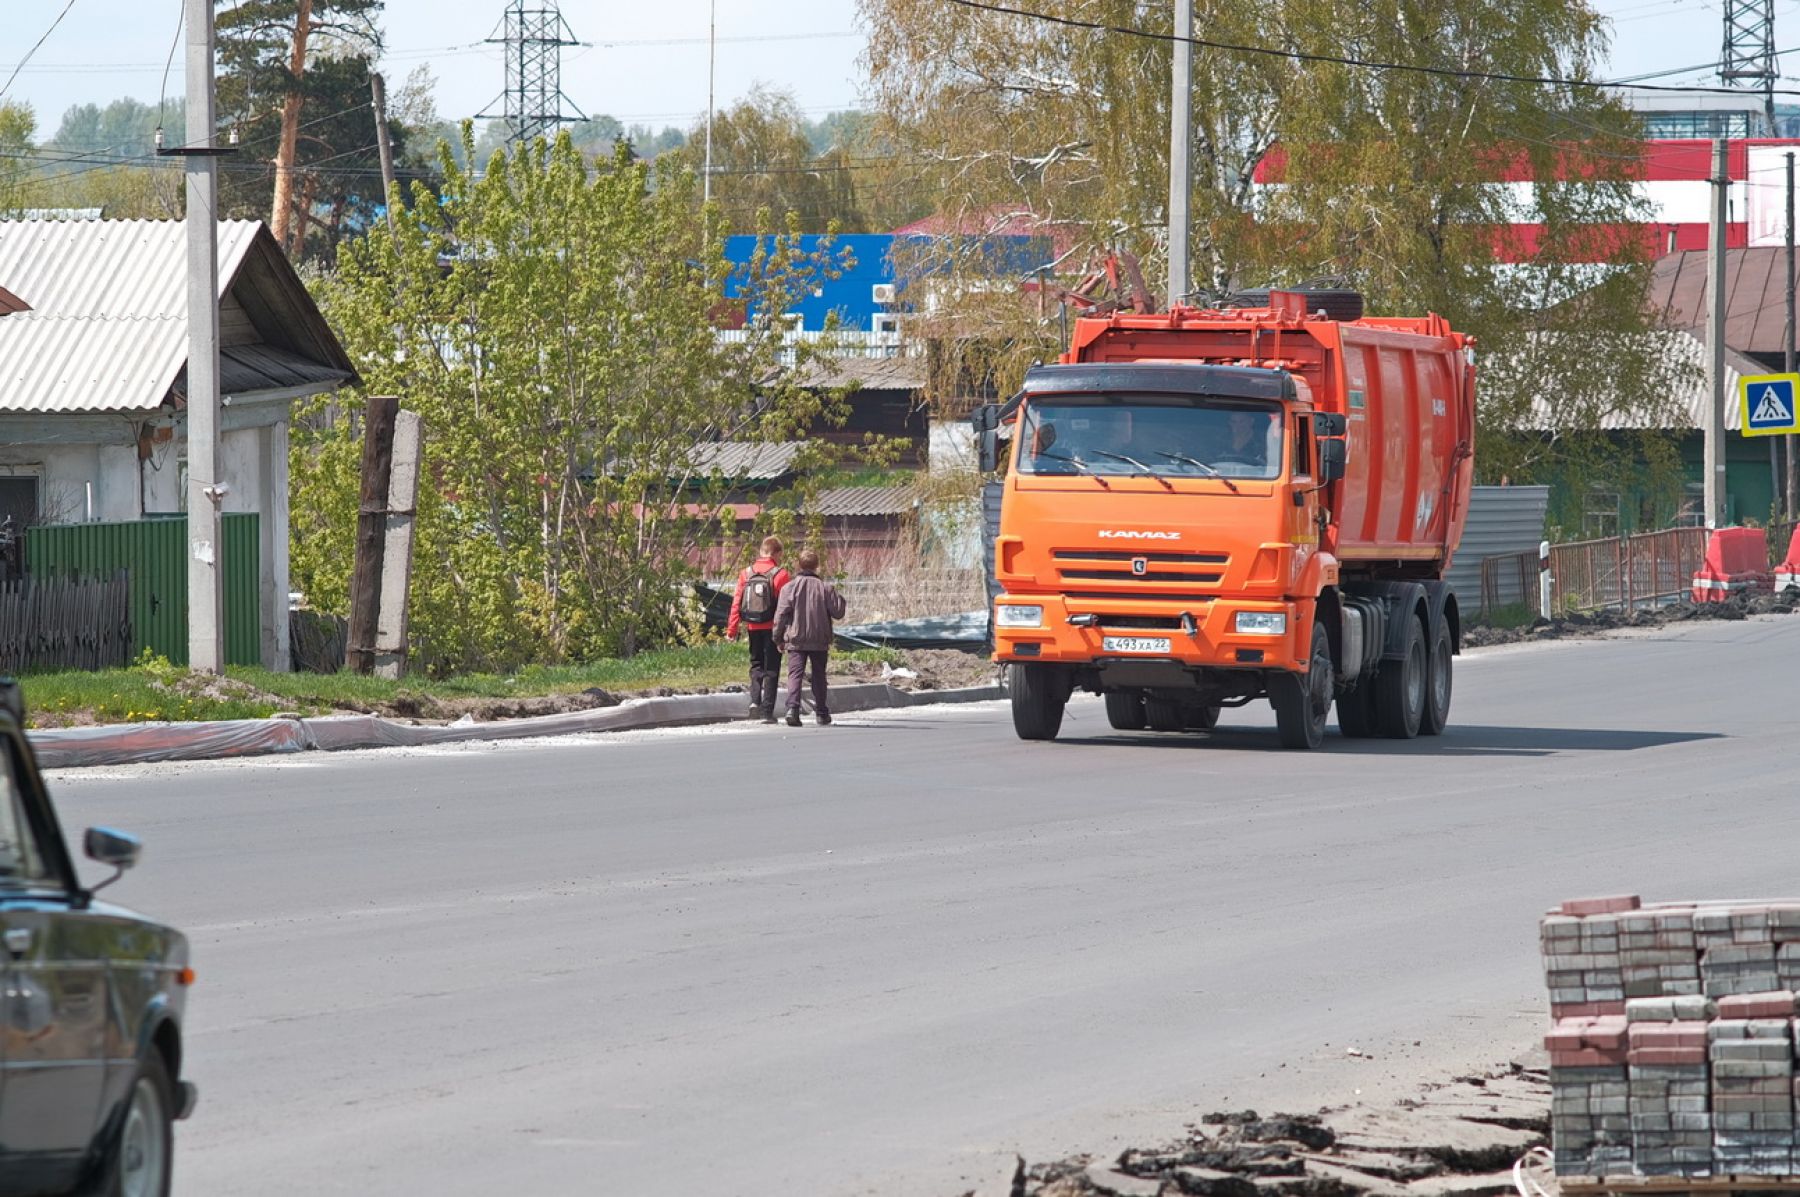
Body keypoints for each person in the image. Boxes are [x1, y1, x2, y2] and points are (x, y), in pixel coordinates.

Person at [772, 548, 847, 727]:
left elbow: (781, 615)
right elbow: (838, 612)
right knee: (819, 675)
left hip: (795, 639)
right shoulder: (825, 588)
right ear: (817, 566)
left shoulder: (789, 588)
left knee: (795, 674)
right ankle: (821, 712)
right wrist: (839, 596)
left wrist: (778, 638)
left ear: (798, 565)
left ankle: (792, 710)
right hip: (819, 640)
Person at [727, 535, 791, 722]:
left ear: (761, 551)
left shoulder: (746, 573)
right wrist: (786, 632)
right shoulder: (781, 574)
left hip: (752, 625)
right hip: (772, 626)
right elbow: (786, 606)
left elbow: (736, 602)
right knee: (771, 668)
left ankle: (754, 701)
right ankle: (766, 712)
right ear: (776, 553)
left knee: (756, 664)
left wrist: (732, 629)